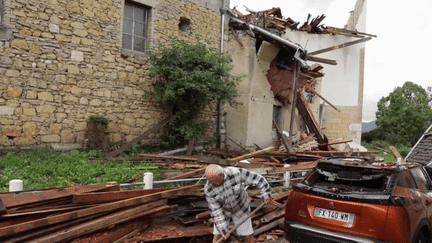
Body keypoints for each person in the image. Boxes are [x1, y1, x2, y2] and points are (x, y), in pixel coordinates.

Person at [204, 164, 277, 243]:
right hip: (223, 210)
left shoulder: (235, 173)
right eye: (209, 180)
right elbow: (216, 211)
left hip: (240, 207)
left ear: (220, 175)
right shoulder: (209, 188)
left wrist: (266, 194)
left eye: (213, 180)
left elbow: (259, 179)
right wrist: (223, 230)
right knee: (217, 236)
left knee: (247, 235)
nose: (211, 183)